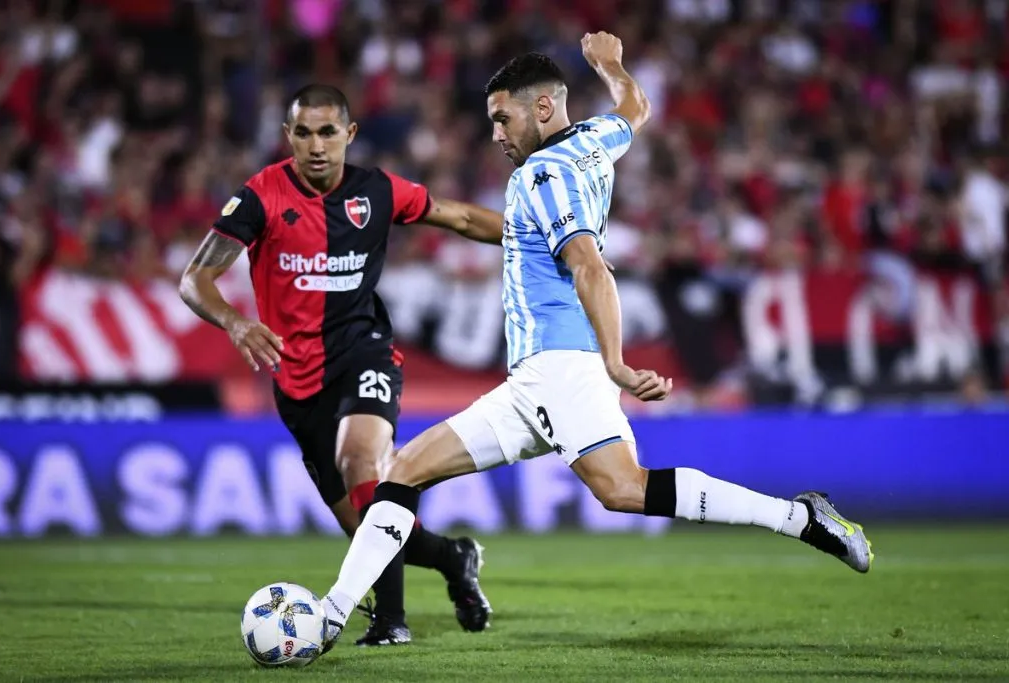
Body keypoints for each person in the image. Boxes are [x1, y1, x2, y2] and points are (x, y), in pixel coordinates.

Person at [315, 33, 875, 650]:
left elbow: (588, 265)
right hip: (531, 381)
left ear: (544, 109)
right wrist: (611, 65)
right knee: (402, 473)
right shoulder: (590, 145)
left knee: (623, 489)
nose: (497, 134)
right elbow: (635, 109)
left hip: (562, 367)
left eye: (504, 119)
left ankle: (798, 517)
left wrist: (615, 363)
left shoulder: (542, 175)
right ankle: (332, 617)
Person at [178, 84, 497, 646]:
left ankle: (391, 623)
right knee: (363, 526)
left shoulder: (377, 191)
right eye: (304, 132)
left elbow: (462, 220)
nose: (316, 145)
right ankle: (453, 556)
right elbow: (194, 279)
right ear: (288, 137)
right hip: (295, 378)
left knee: (362, 464)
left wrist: (548, 239)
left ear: (349, 134)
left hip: (364, 350)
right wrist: (235, 322)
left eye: (328, 132)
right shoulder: (261, 196)